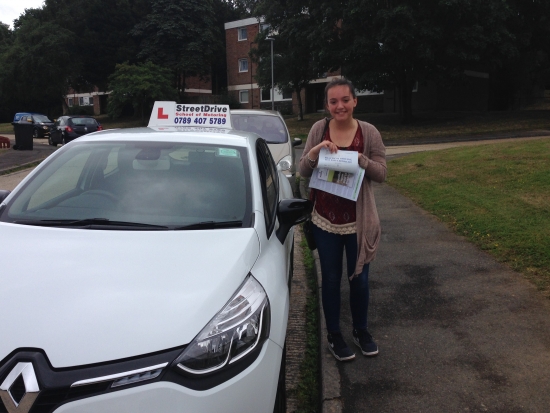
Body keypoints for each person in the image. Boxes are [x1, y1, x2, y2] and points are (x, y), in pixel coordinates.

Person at [299, 78, 386, 361]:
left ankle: (361, 330)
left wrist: (362, 161)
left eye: (345, 100)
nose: (340, 106)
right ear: (327, 105)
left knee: (359, 280)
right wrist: (313, 153)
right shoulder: (318, 129)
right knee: (332, 279)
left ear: (355, 101)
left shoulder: (369, 132)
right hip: (325, 220)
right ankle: (334, 335)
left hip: (358, 222)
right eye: (334, 101)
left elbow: (382, 173)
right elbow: (303, 171)